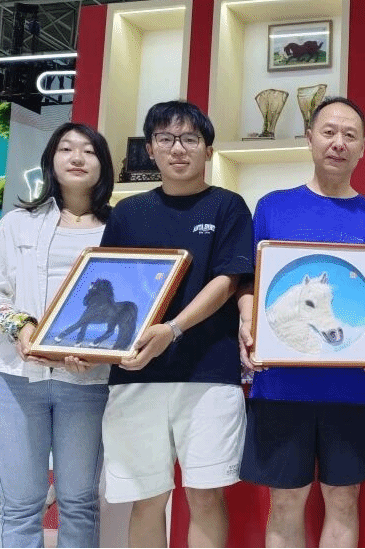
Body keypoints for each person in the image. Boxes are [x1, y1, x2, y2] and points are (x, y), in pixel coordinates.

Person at [238, 96, 365, 548]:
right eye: (328, 132)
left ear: (363, 147)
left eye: (350, 135)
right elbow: (250, 282)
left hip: (351, 387)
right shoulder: (272, 207)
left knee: (344, 499)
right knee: (285, 501)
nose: (338, 143)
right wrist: (247, 317)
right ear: (309, 139)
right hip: (280, 384)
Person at [98, 101, 254, 548]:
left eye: (189, 139)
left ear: (208, 149)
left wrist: (173, 329)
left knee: (205, 495)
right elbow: (108, 283)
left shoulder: (228, 206)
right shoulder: (128, 212)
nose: (178, 149)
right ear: (150, 149)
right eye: (165, 139)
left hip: (209, 373)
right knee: (148, 498)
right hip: (135, 374)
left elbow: (227, 280)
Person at [0, 122, 115, 547]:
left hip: (88, 381)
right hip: (15, 379)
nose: (77, 157)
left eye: (89, 150)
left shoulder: (119, 227)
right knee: (21, 504)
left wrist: (100, 351)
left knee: (79, 500)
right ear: (51, 160)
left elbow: (129, 300)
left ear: (103, 165)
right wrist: (20, 325)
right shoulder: (19, 223)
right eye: (66, 148)